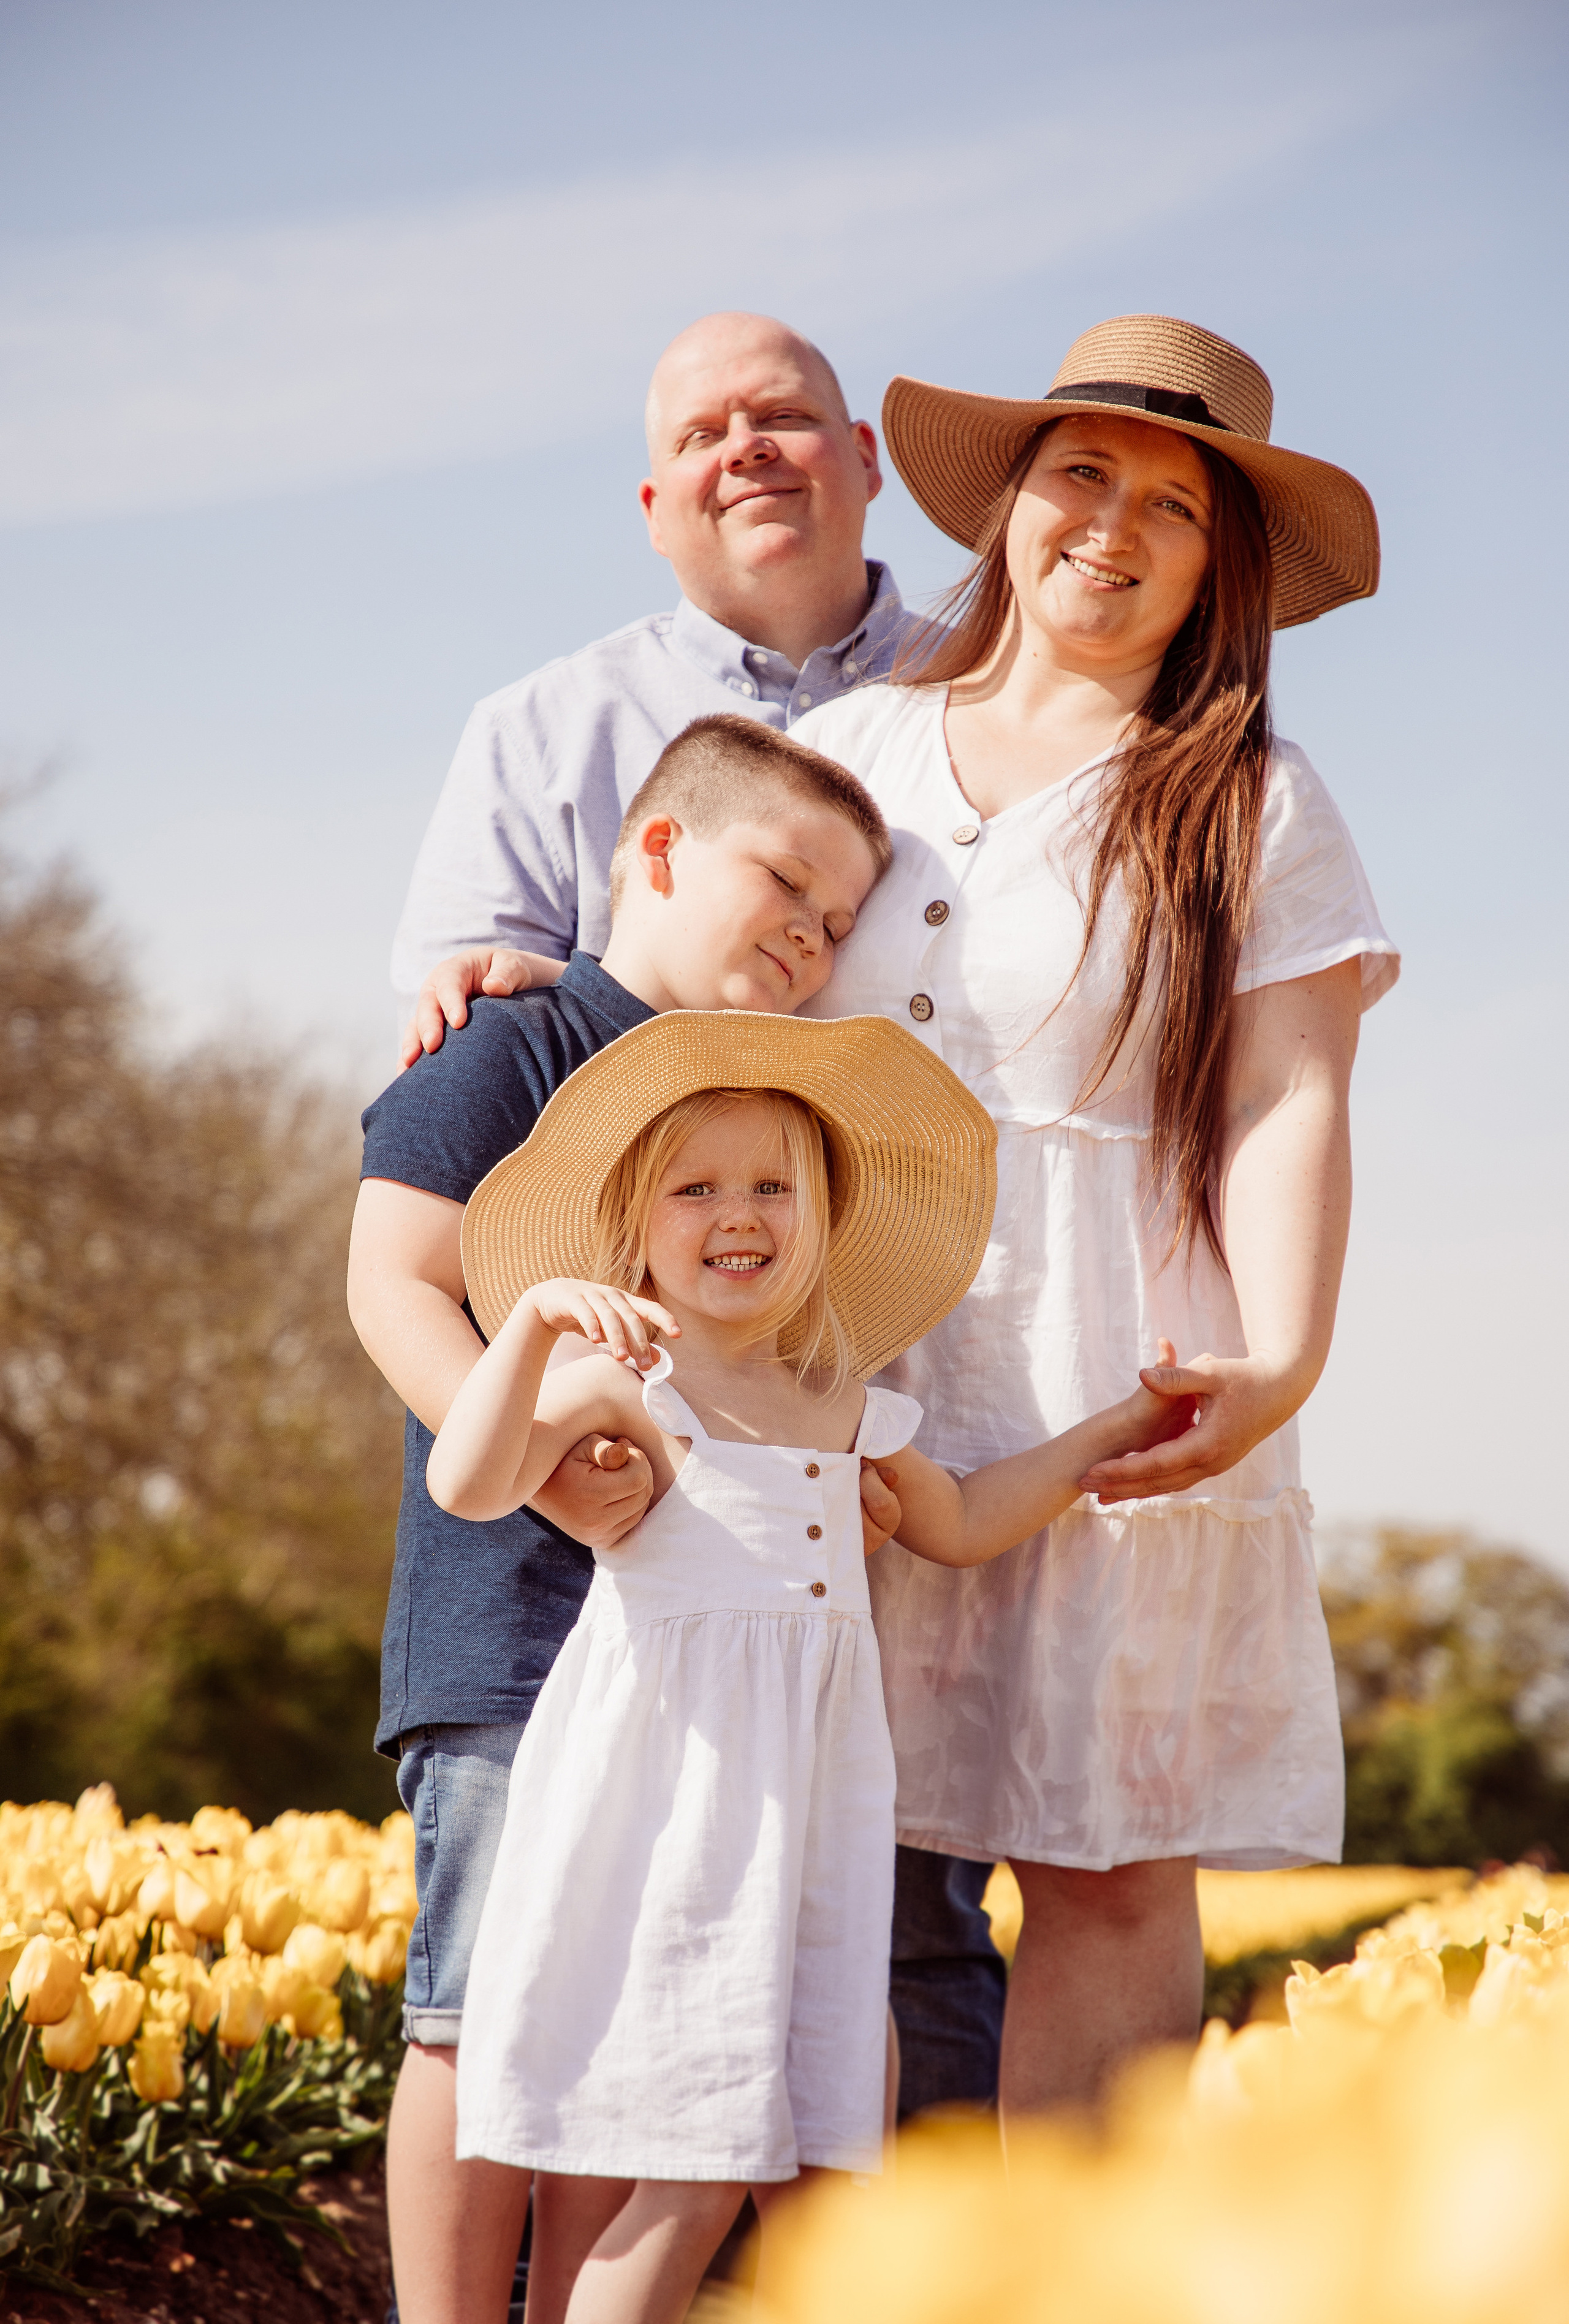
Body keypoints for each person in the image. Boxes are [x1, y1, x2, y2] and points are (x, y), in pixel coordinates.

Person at [393, 310, 1008, 2130]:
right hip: (605, 1478)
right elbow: (454, 1076)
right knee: (542, 1975)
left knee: (880, 1930)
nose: (748, 449)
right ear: (654, 499)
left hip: (870, 1387)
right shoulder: (544, 728)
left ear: (864, 459)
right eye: (702, 432)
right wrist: (548, 1454)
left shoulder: (986, 698)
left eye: (787, 417)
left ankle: (900, 2255)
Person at [783, 313, 1400, 2116]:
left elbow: (1288, 1098)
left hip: (1116, 1381)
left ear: (1222, 566)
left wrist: (1281, 1361)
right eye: (1081, 473)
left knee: (1108, 1867)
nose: (1114, 526)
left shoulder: (1254, 797)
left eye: (1174, 506)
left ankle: (1068, 2263)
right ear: (1012, 502)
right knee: (801, 1852)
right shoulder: (847, 750)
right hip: (834, 1363)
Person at [431, 1012, 1196, 2324]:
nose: (738, 1213)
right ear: (633, 1232)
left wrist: (1116, 1427)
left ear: (824, 1222)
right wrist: (538, 1325)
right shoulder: (625, 1387)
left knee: (830, 2171)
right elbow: (469, 1482)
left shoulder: (843, 1405)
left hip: (816, 1835)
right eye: (695, 1189)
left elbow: (963, 1519)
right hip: (684, 1829)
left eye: (772, 1186)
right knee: (691, 2178)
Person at [347, 718, 895, 2324]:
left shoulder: (760, 1095)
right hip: (511, 1622)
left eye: (838, 921)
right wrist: (534, 1461)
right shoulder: (507, 1044)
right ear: (655, 848)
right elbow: (396, 1280)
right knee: (477, 2014)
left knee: (622, 2032)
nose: (810, 936)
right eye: (786, 883)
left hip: (682, 1666)